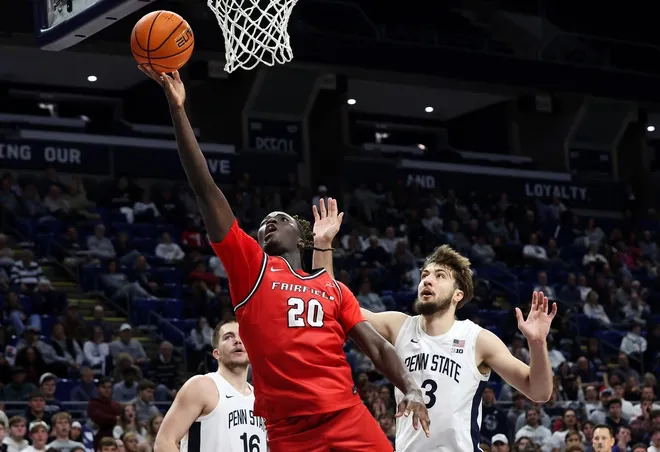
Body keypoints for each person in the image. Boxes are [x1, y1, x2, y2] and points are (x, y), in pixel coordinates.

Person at [139, 65, 429, 452]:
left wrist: (410, 387)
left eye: (280, 218)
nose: (268, 223)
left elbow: (376, 348)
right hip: (289, 431)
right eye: (263, 223)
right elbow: (205, 189)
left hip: (347, 415)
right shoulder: (251, 269)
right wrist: (178, 111)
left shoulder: (333, 288)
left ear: (301, 235)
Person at [311, 213, 556, 452]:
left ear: (458, 295)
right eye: (425, 275)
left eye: (440, 276)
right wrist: (322, 245)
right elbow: (331, 303)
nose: (427, 281)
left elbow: (539, 391)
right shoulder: (399, 326)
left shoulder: (478, 339)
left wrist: (537, 343)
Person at [154, 320, 266, 452]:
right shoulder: (202, 386)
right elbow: (164, 443)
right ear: (216, 353)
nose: (237, 341)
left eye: (242, 335)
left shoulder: (260, 397)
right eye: (228, 337)